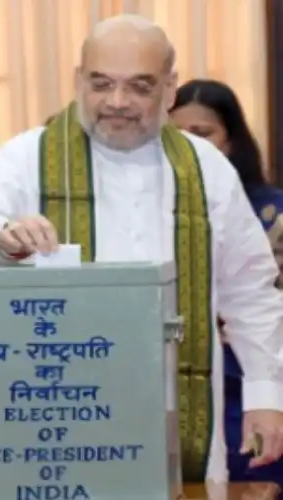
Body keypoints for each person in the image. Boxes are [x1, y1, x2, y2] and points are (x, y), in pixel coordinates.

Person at [0, 14, 283, 485]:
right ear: (79, 80)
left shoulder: (207, 169)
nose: (117, 102)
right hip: (61, 409)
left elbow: (251, 291)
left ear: (169, 88)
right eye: (101, 84)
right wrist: (3, 234)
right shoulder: (30, 156)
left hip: (176, 406)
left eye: (139, 86)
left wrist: (266, 396)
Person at [170, 78, 283, 488]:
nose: (189, 144)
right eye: (176, 132)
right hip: (175, 376)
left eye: (202, 133)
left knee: (253, 478)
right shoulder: (151, 206)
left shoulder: (272, 212)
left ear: (231, 141)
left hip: (252, 374)